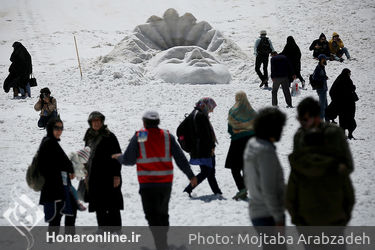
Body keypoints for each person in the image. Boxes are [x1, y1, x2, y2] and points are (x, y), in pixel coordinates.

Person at [112, 111, 197, 250]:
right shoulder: (167, 136)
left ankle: (160, 244)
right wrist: (191, 175)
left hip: (147, 184)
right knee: (163, 213)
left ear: (144, 122)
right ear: (158, 122)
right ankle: (162, 241)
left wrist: (119, 157)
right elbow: (180, 158)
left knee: (152, 215)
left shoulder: (140, 136)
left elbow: (129, 160)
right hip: (165, 183)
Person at [286, 97, 355, 226]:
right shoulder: (300, 136)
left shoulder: (334, 134)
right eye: (300, 120)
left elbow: (348, 167)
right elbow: (296, 171)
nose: (302, 124)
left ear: (317, 117)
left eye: (305, 120)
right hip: (313, 215)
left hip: (330, 211)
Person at [243, 107, 287, 227]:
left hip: (256, 211)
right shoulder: (266, 151)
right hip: (268, 215)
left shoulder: (252, 144)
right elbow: (269, 189)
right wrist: (278, 217)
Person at [83, 111, 123, 231]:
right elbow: (86, 156)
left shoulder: (109, 136)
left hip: (109, 176)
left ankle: (116, 229)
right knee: (98, 204)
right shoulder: (89, 136)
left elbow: (117, 156)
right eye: (94, 121)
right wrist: (85, 173)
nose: (96, 123)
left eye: (98, 121)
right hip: (94, 176)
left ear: (102, 122)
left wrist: (116, 175)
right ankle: (102, 228)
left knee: (112, 204)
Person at [38, 117, 77, 235]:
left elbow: (63, 161)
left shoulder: (51, 142)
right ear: (50, 128)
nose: (59, 130)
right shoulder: (49, 143)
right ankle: (54, 240)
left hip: (59, 185)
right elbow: (58, 162)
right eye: (56, 128)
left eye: (61, 128)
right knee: (56, 215)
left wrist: (70, 169)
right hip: (54, 187)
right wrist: (69, 169)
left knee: (67, 209)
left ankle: (64, 237)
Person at [183, 97, 222, 197]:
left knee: (210, 171)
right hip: (204, 149)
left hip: (202, 148)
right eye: (211, 108)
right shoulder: (200, 116)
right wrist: (211, 147)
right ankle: (188, 189)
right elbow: (205, 135)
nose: (212, 110)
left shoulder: (197, 113)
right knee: (206, 171)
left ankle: (217, 192)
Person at [225, 91, 257, 200]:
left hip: (237, 142)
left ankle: (242, 189)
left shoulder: (233, 111)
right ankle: (245, 187)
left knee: (235, 168)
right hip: (251, 143)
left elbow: (230, 129)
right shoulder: (252, 112)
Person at [329, 69, 357, 139]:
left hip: (344, 106)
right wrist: (353, 87)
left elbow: (332, 91)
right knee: (349, 121)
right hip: (346, 105)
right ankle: (348, 135)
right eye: (349, 73)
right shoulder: (345, 80)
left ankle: (346, 135)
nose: (350, 75)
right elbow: (348, 89)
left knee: (344, 121)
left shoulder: (340, 79)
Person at [312, 54, 329, 120]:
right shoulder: (318, 68)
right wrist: (324, 78)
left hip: (323, 89)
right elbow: (314, 77)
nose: (325, 60)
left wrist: (324, 77)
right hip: (321, 89)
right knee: (322, 107)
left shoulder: (322, 67)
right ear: (321, 60)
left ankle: (327, 121)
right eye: (324, 59)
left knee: (326, 106)